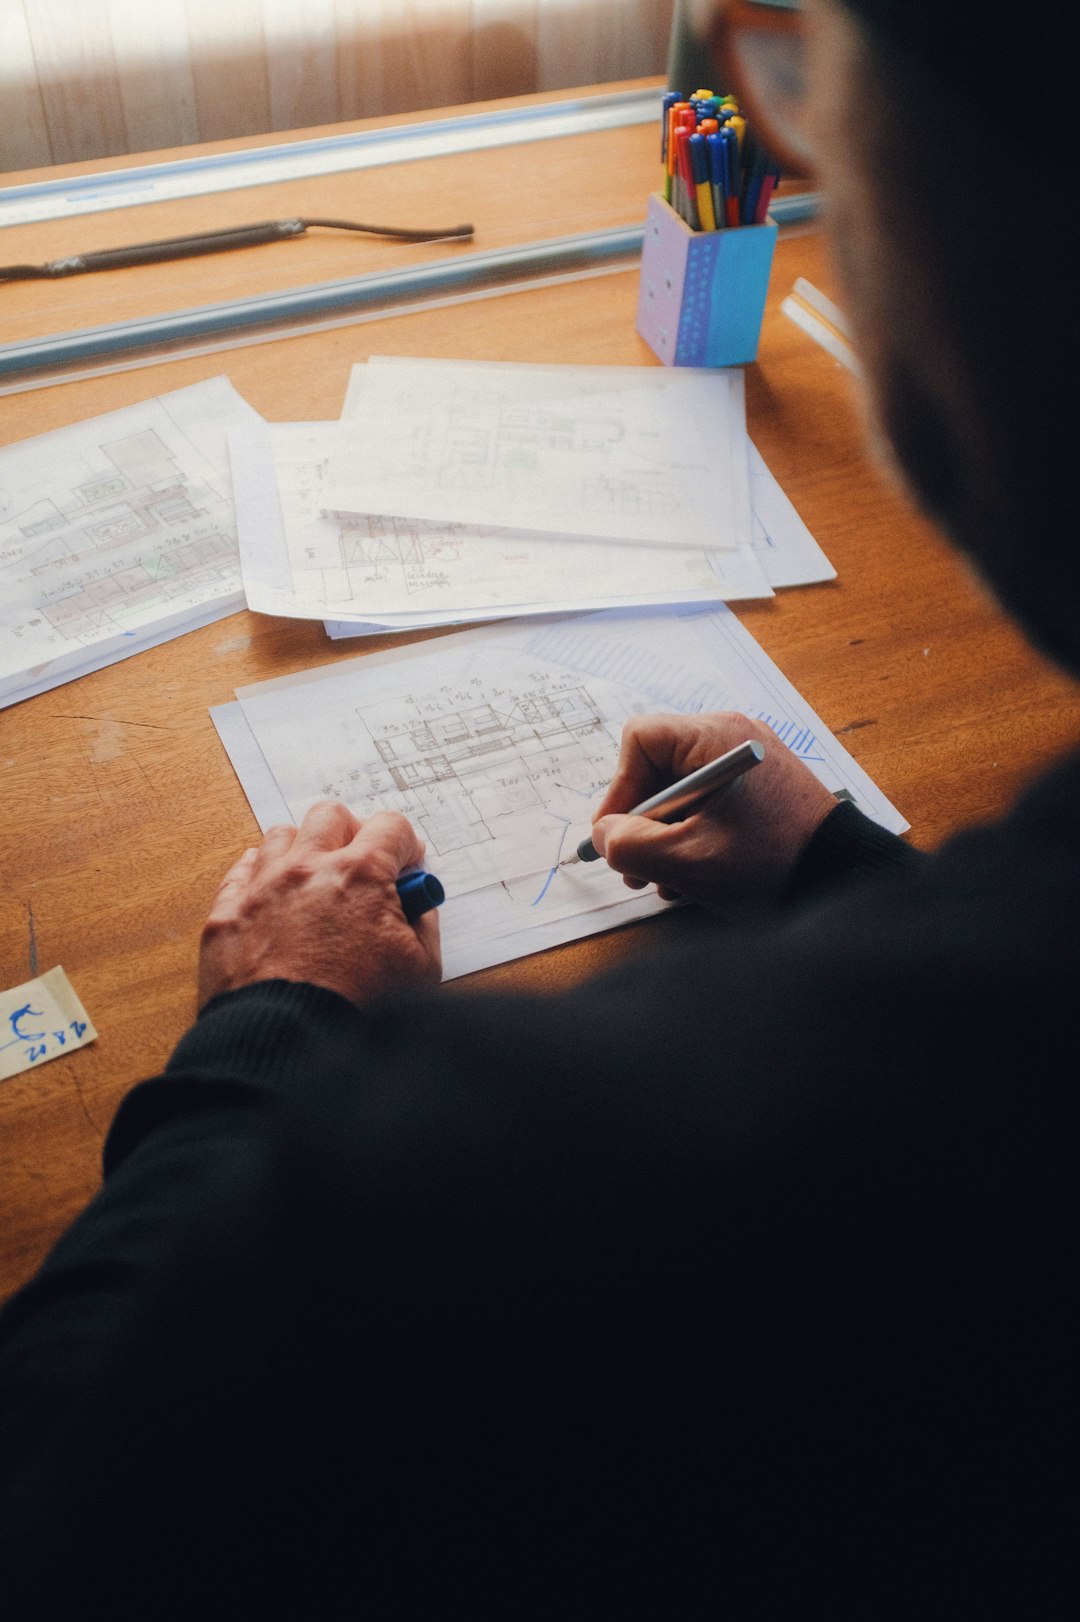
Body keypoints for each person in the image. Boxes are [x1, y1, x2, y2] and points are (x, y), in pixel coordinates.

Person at [1, 2, 1076, 1613]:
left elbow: (53, 1491)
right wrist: (849, 865)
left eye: (802, 78)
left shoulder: (525, 1167)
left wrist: (273, 1024)